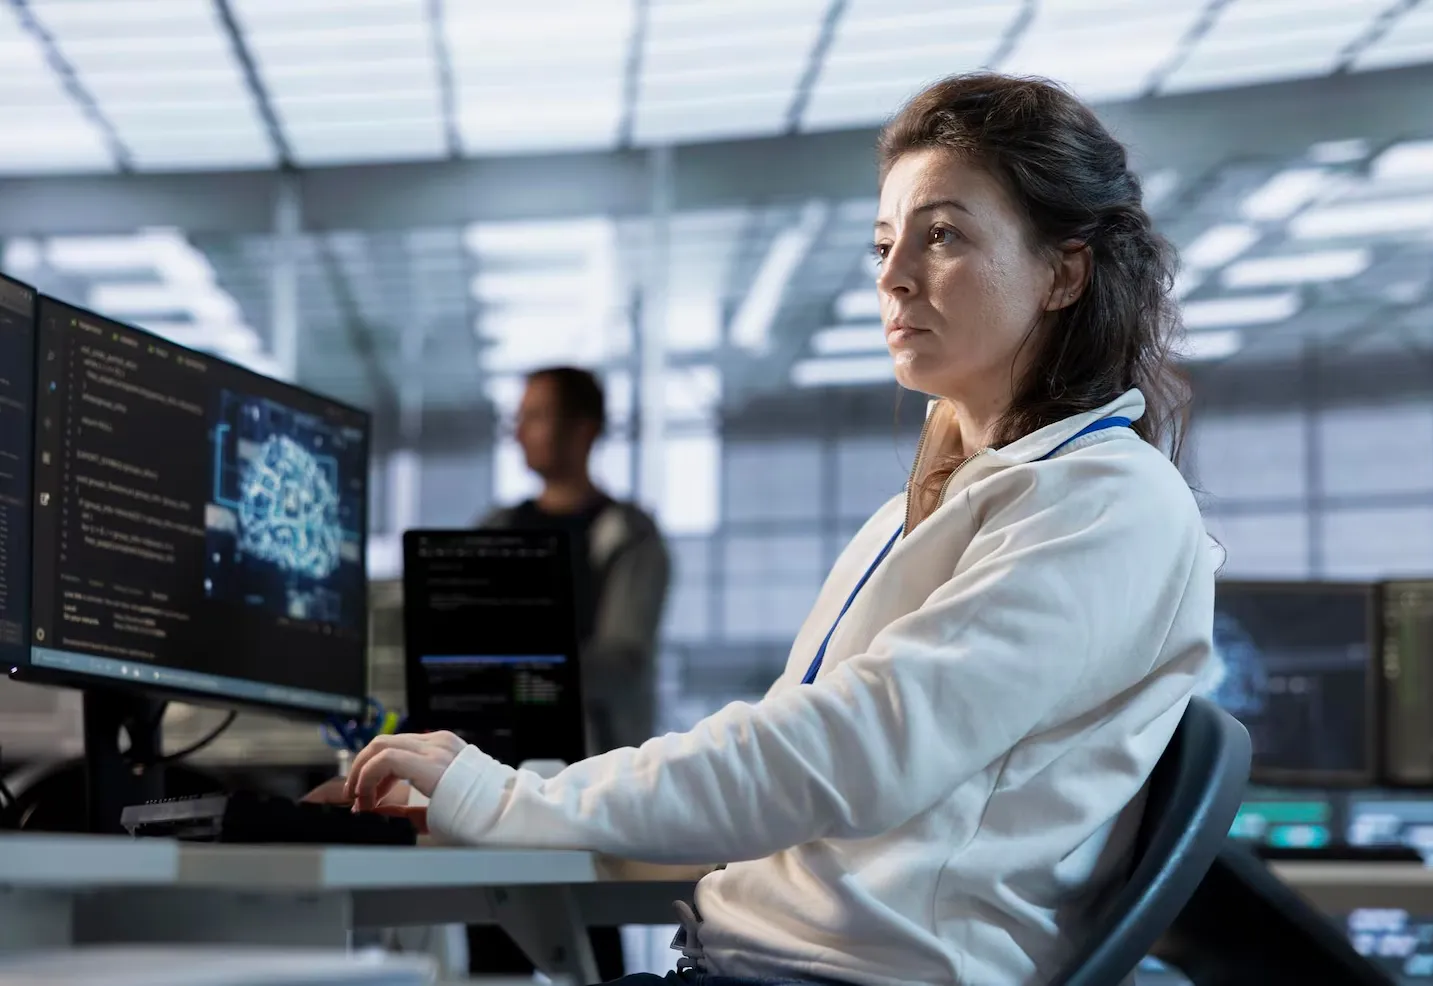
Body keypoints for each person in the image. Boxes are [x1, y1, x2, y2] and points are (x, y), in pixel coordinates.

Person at [332, 73, 1217, 986]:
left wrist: (512, 795)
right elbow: (798, 750)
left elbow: (846, 751)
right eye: (883, 243)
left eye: (942, 234)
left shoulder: (1106, 500)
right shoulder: (927, 507)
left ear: (1065, 271)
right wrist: (484, 799)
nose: (893, 275)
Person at [474, 366, 671, 980]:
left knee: (592, 952)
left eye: (535, 416)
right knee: (494, 944)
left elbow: (622, 659)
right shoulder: (495, 532)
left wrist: (521, 669)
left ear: (583, 430)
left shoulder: (629, 537)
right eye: (519, 417)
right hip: (498, 777)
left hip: (593, 781)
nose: (520, 432)